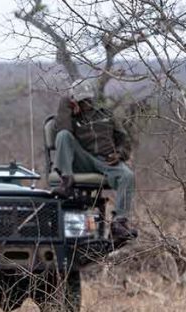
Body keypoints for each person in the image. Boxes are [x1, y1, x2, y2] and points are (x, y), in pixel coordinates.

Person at [54, 81, 137, 241]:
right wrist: (66, 104)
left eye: (88, 100)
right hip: (83, 158)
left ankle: (119, 223)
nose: (86, 104)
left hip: (107, 160)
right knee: (63, 136)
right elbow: (62, 131)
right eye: (81, 101)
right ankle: (66, 181)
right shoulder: (70, 118)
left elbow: (123, 138)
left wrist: (119, 154)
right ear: (75, 101)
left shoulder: (106, 114)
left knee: (127, 176)